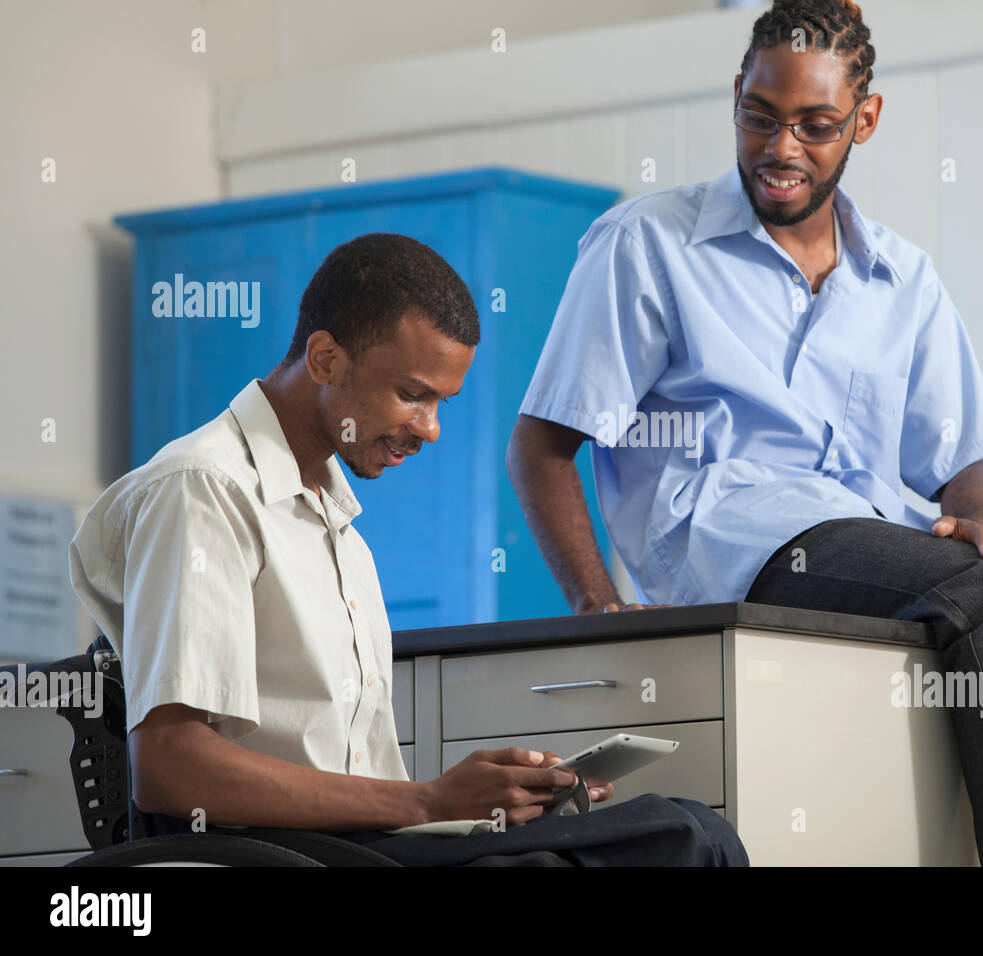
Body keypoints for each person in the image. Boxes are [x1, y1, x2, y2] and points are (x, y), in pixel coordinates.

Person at [506, 0, 983, 865]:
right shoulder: (647, 242)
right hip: (737, 539)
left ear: (866, 119)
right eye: (759, 117)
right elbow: (543, 441)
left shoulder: (900, 276)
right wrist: (597, 606)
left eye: (815, 126)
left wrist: (981, 520)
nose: (780, 149)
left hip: (876, 537)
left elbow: (968, 464)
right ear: (736, 99)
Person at [68, 232, 747, 867]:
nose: (431, 429)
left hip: (369, 842)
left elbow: (364, 788)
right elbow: (169, 767)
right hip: (279, 851)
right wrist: (432, 801)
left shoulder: (335, 523)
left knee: (686, 827)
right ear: (327, 358)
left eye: (441, 402)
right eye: (413, 395)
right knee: (677, 838)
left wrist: (481, 803)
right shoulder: (203, 488)